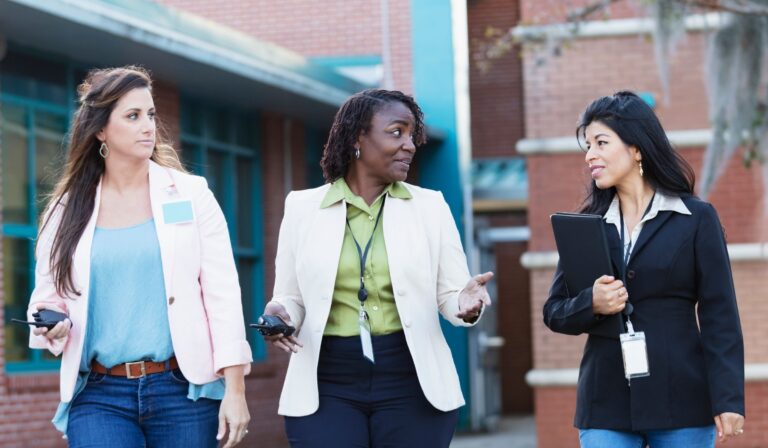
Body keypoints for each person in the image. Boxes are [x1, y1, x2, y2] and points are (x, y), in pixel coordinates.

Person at [25, 66, 252, 448]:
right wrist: (52, 322)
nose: (148, 126)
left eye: (150, 114)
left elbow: (223, 294)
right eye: (132, 116)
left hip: (182, 391)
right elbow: (47, 298)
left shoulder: (192, 194)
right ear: (100, 130)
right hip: (99, 394)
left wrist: (236, 389)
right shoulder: (64, 211)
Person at [261, 89, 493, 447]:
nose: (410, 145)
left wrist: (465, 303)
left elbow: (451, 293)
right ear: (358, 137)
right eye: (396, 132)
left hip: (411, 379)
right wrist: (281, 313)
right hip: (327, 380)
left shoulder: (430, 207)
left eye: (412, 135)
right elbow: (291, 296)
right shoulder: (302, 208)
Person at [544, 91, 745, 448]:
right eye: (587, 145)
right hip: (605, 404)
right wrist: (592, 302)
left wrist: (728, 398)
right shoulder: (586, 226)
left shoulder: (696, 219)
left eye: (601, 142)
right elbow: (554, 311)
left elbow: (720, 314)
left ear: (636, 148)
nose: (590, 155)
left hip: (682, 399)